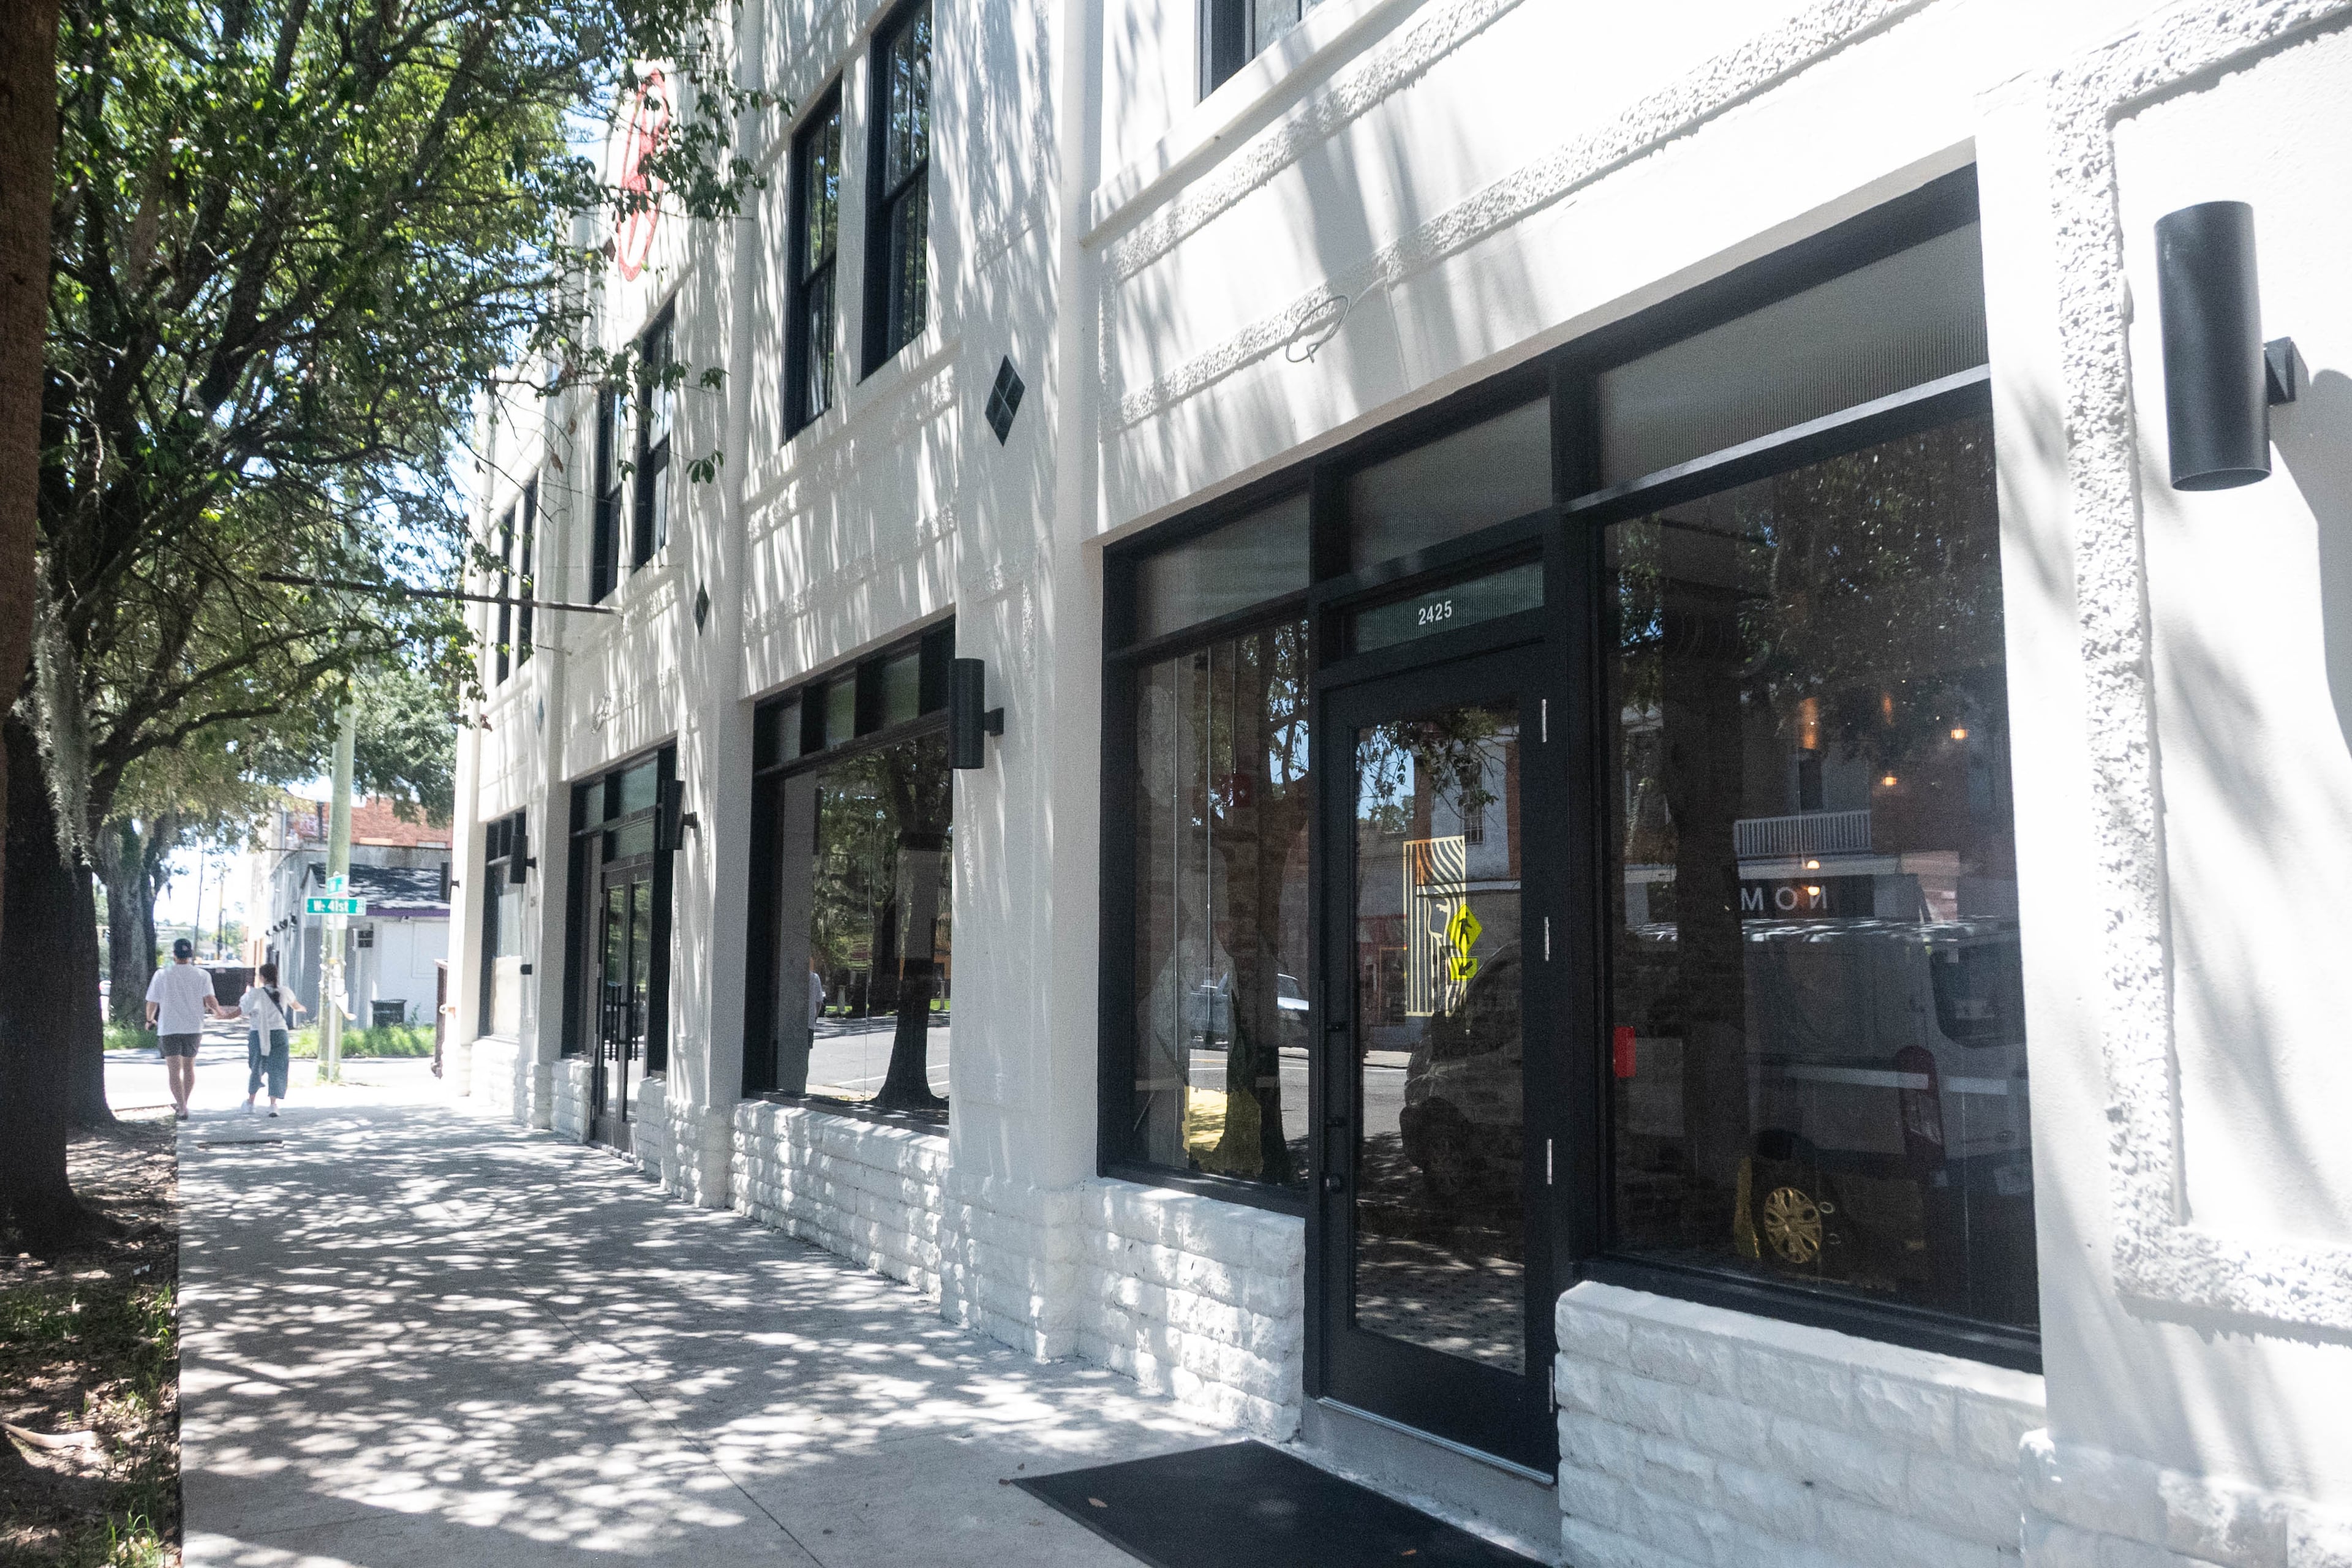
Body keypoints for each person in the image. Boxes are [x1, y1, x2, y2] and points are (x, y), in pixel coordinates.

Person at [146, 938, 235, 1120]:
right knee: (189, 1068)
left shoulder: (162, 974)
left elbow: (152, 1002)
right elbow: (210, 1000)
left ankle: (182, 1107)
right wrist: (219, 1012)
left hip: (169, 1027)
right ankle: (184, 1104)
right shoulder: (202, 975)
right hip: (194, 1027)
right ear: (191, 955)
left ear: (174, 954)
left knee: (173, 1070)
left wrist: (149, 1019)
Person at [239, 962, 304, 1117]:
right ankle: (273, 1105)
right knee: (278, 1068)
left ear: (262, 977)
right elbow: (296, 1006)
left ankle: (250, 1103)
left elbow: (243, 1011)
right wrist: (303, 1009)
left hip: (258, 1034)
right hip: (279, 1033)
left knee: (256, 1067)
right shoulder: (285, 991)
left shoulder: (254, 994)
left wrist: (222, 1014)